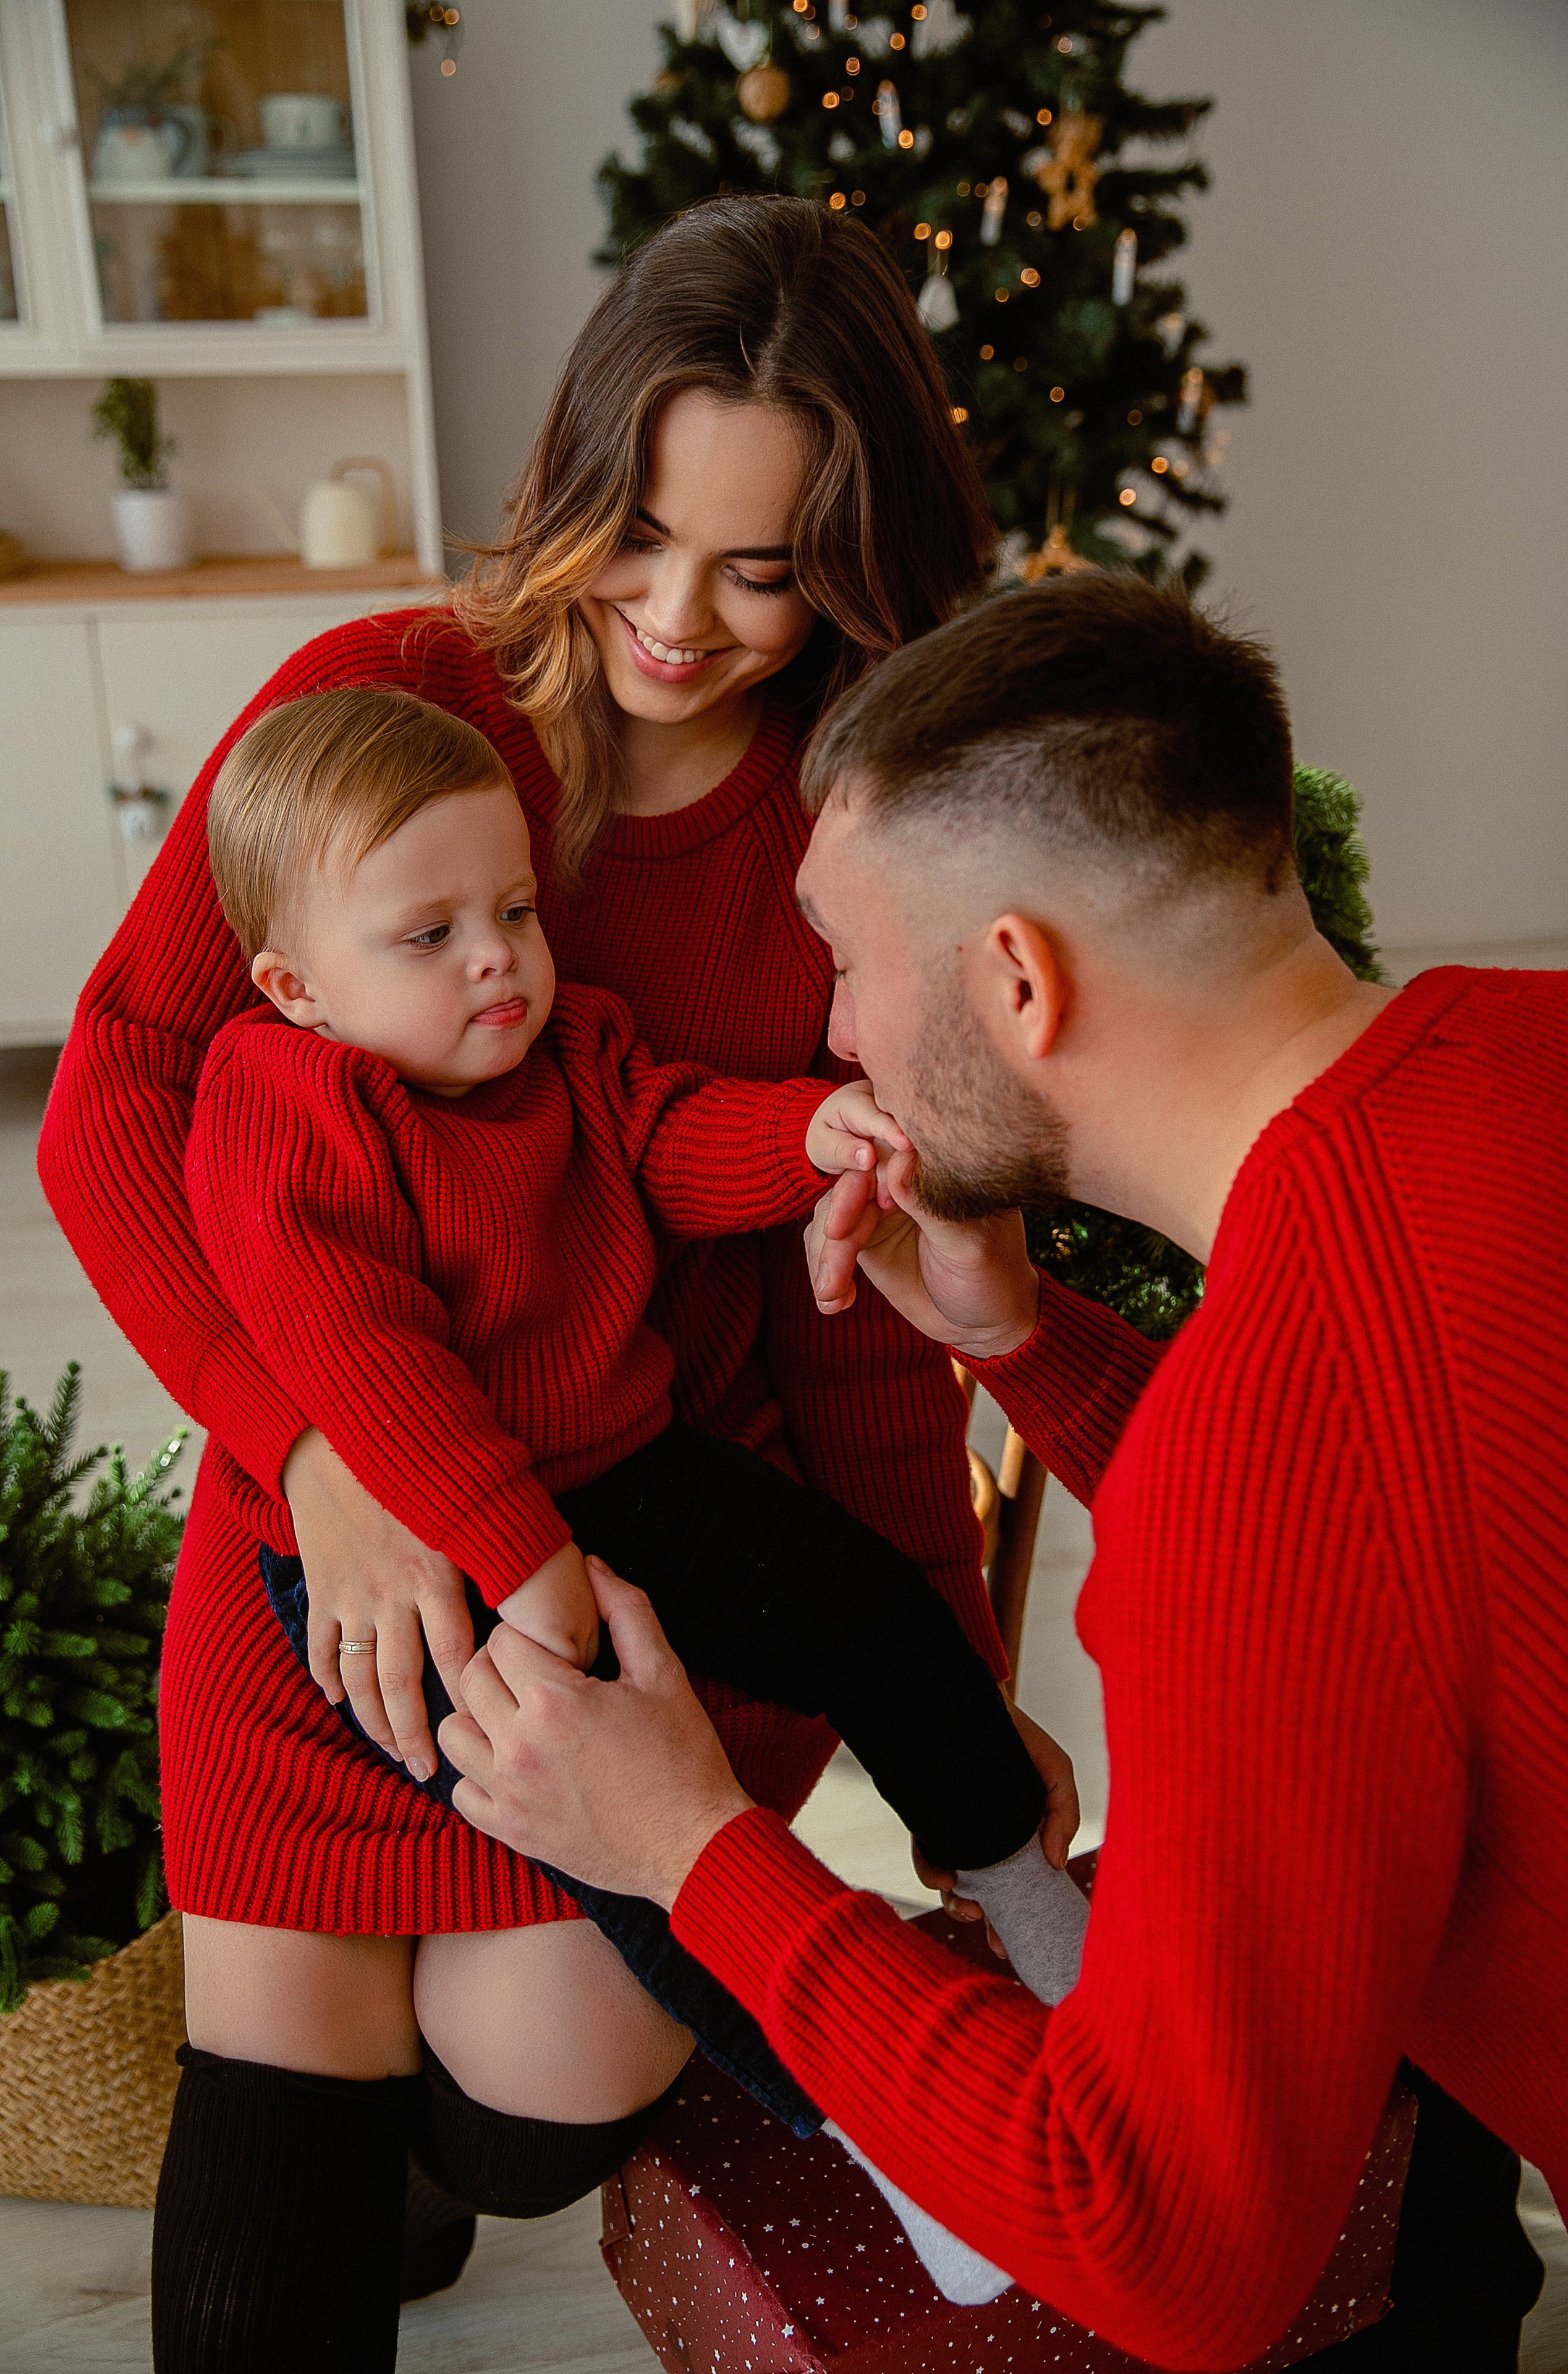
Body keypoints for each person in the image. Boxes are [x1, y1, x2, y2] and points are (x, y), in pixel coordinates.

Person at [37, 198, 1079, 2372]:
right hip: (335, 1526)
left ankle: (448, 2167)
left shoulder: (845, 835)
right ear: (578, 471)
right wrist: (316, 1453)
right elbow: (121, 1095)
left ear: (860, 563)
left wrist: (947, 1676)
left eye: (765, 566)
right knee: (285, 2084)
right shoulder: (373, 710)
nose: (679, 622)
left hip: (656, 1528)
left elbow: (852, 1305)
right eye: (642, 530)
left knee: (539, 2100)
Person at [434, 572, 1568, 2372]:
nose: (832, 1036)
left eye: (847, 955)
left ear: (1019, 979)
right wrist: (1020, 1339)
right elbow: (1412, 1574)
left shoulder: (1272, 1445)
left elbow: (1174, 2250)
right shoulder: (1531, 1055)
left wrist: (688, 1845)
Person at [189, 681, 1088, 2129]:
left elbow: (668, 1132)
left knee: (870, 1611)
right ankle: (863, 2117)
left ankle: (1022, 1896)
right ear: (295, 986)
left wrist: (805, 1132)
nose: (497, 964)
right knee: (637, 1875)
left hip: (632, 1470)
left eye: (517, 914)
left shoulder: (571, 1048)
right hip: (438, 1539)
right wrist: (524, 1569)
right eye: (430, 939)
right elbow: (365, 1360)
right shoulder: (283, 1099)